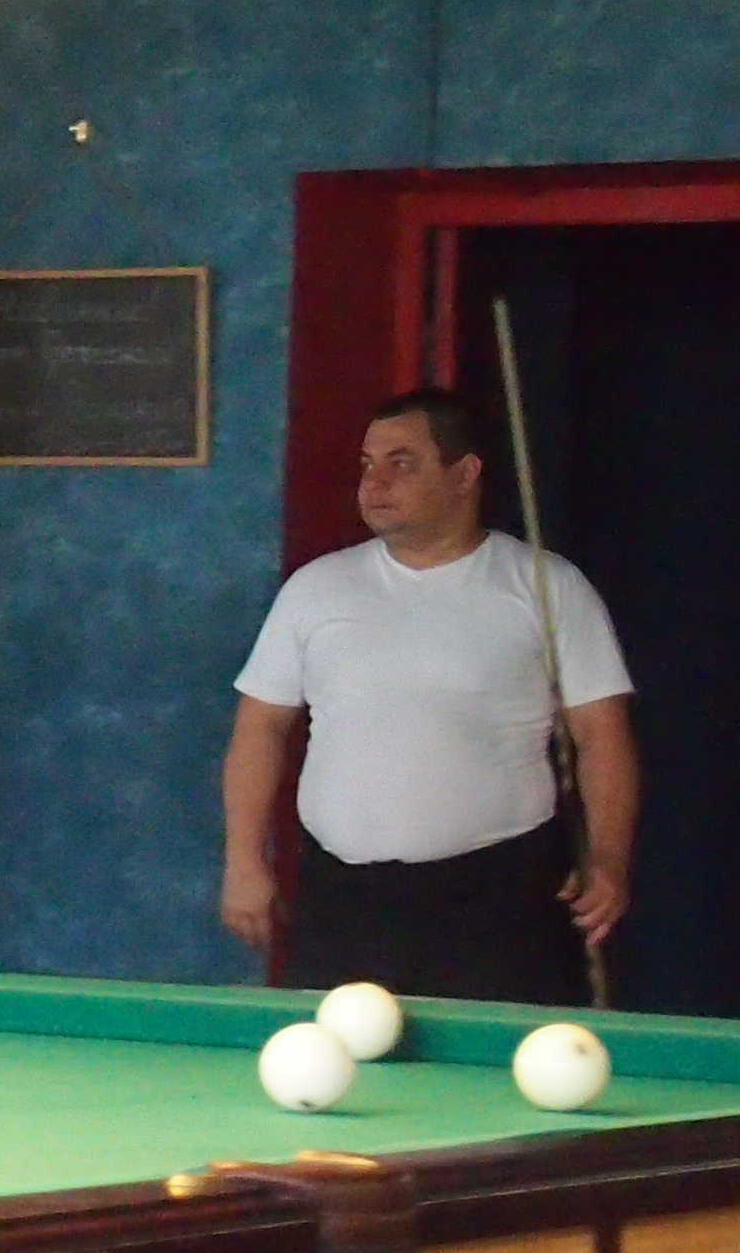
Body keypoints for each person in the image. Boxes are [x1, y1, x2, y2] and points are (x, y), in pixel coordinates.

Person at [222, 384, 634, 1004]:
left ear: (463, 474)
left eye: (402, 464)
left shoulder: (547, 587)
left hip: (498, 899)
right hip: (343, 902)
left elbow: (602, 735)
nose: (375, 483)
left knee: (503, 1061)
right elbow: (261, 727)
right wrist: (244, 861)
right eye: (368, 465)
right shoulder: (316, 589)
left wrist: (607, 858)